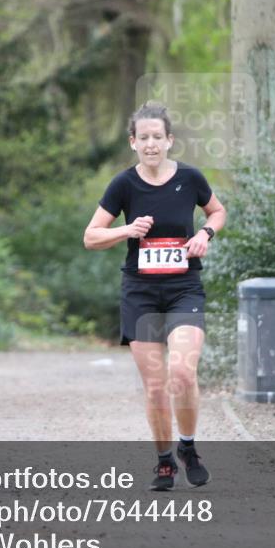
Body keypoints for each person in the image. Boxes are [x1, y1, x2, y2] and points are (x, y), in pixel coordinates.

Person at [84, 102, 227, 490]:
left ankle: (188, 447)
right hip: (141, 293)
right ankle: (164, 462)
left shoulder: (190, 178)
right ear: (133, 142)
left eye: (157, 137)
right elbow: (91, 236)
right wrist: (126, 230)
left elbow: (217, 212)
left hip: (184, 288)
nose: (151, 144)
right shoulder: (123, 185)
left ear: (169, 141)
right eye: (143, 137)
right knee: (155, 385)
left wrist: (205, 234)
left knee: (182, 372)